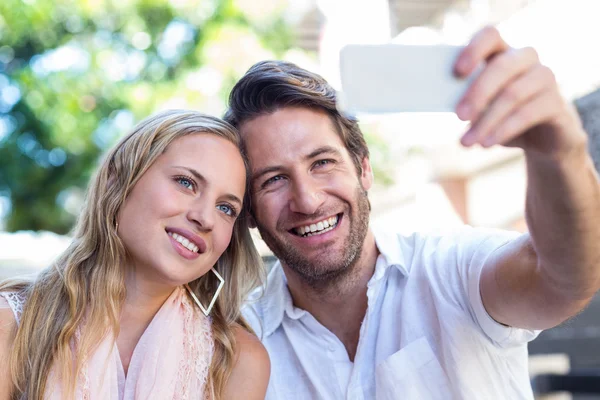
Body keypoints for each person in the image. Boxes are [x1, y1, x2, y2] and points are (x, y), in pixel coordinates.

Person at [224, 26, 600, 399]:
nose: (307, 201)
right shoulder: (235, 342)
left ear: (363, 168)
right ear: (249, 210)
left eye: (322, 162)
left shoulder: (452, 270)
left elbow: (566, 277)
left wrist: (559, 151)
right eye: (273, 180)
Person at [0, 110, 270, 399]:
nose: (205, 218)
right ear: (117, 181)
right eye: (186, 182)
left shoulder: (239, 361)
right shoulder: (13, 325)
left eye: (226, 208)